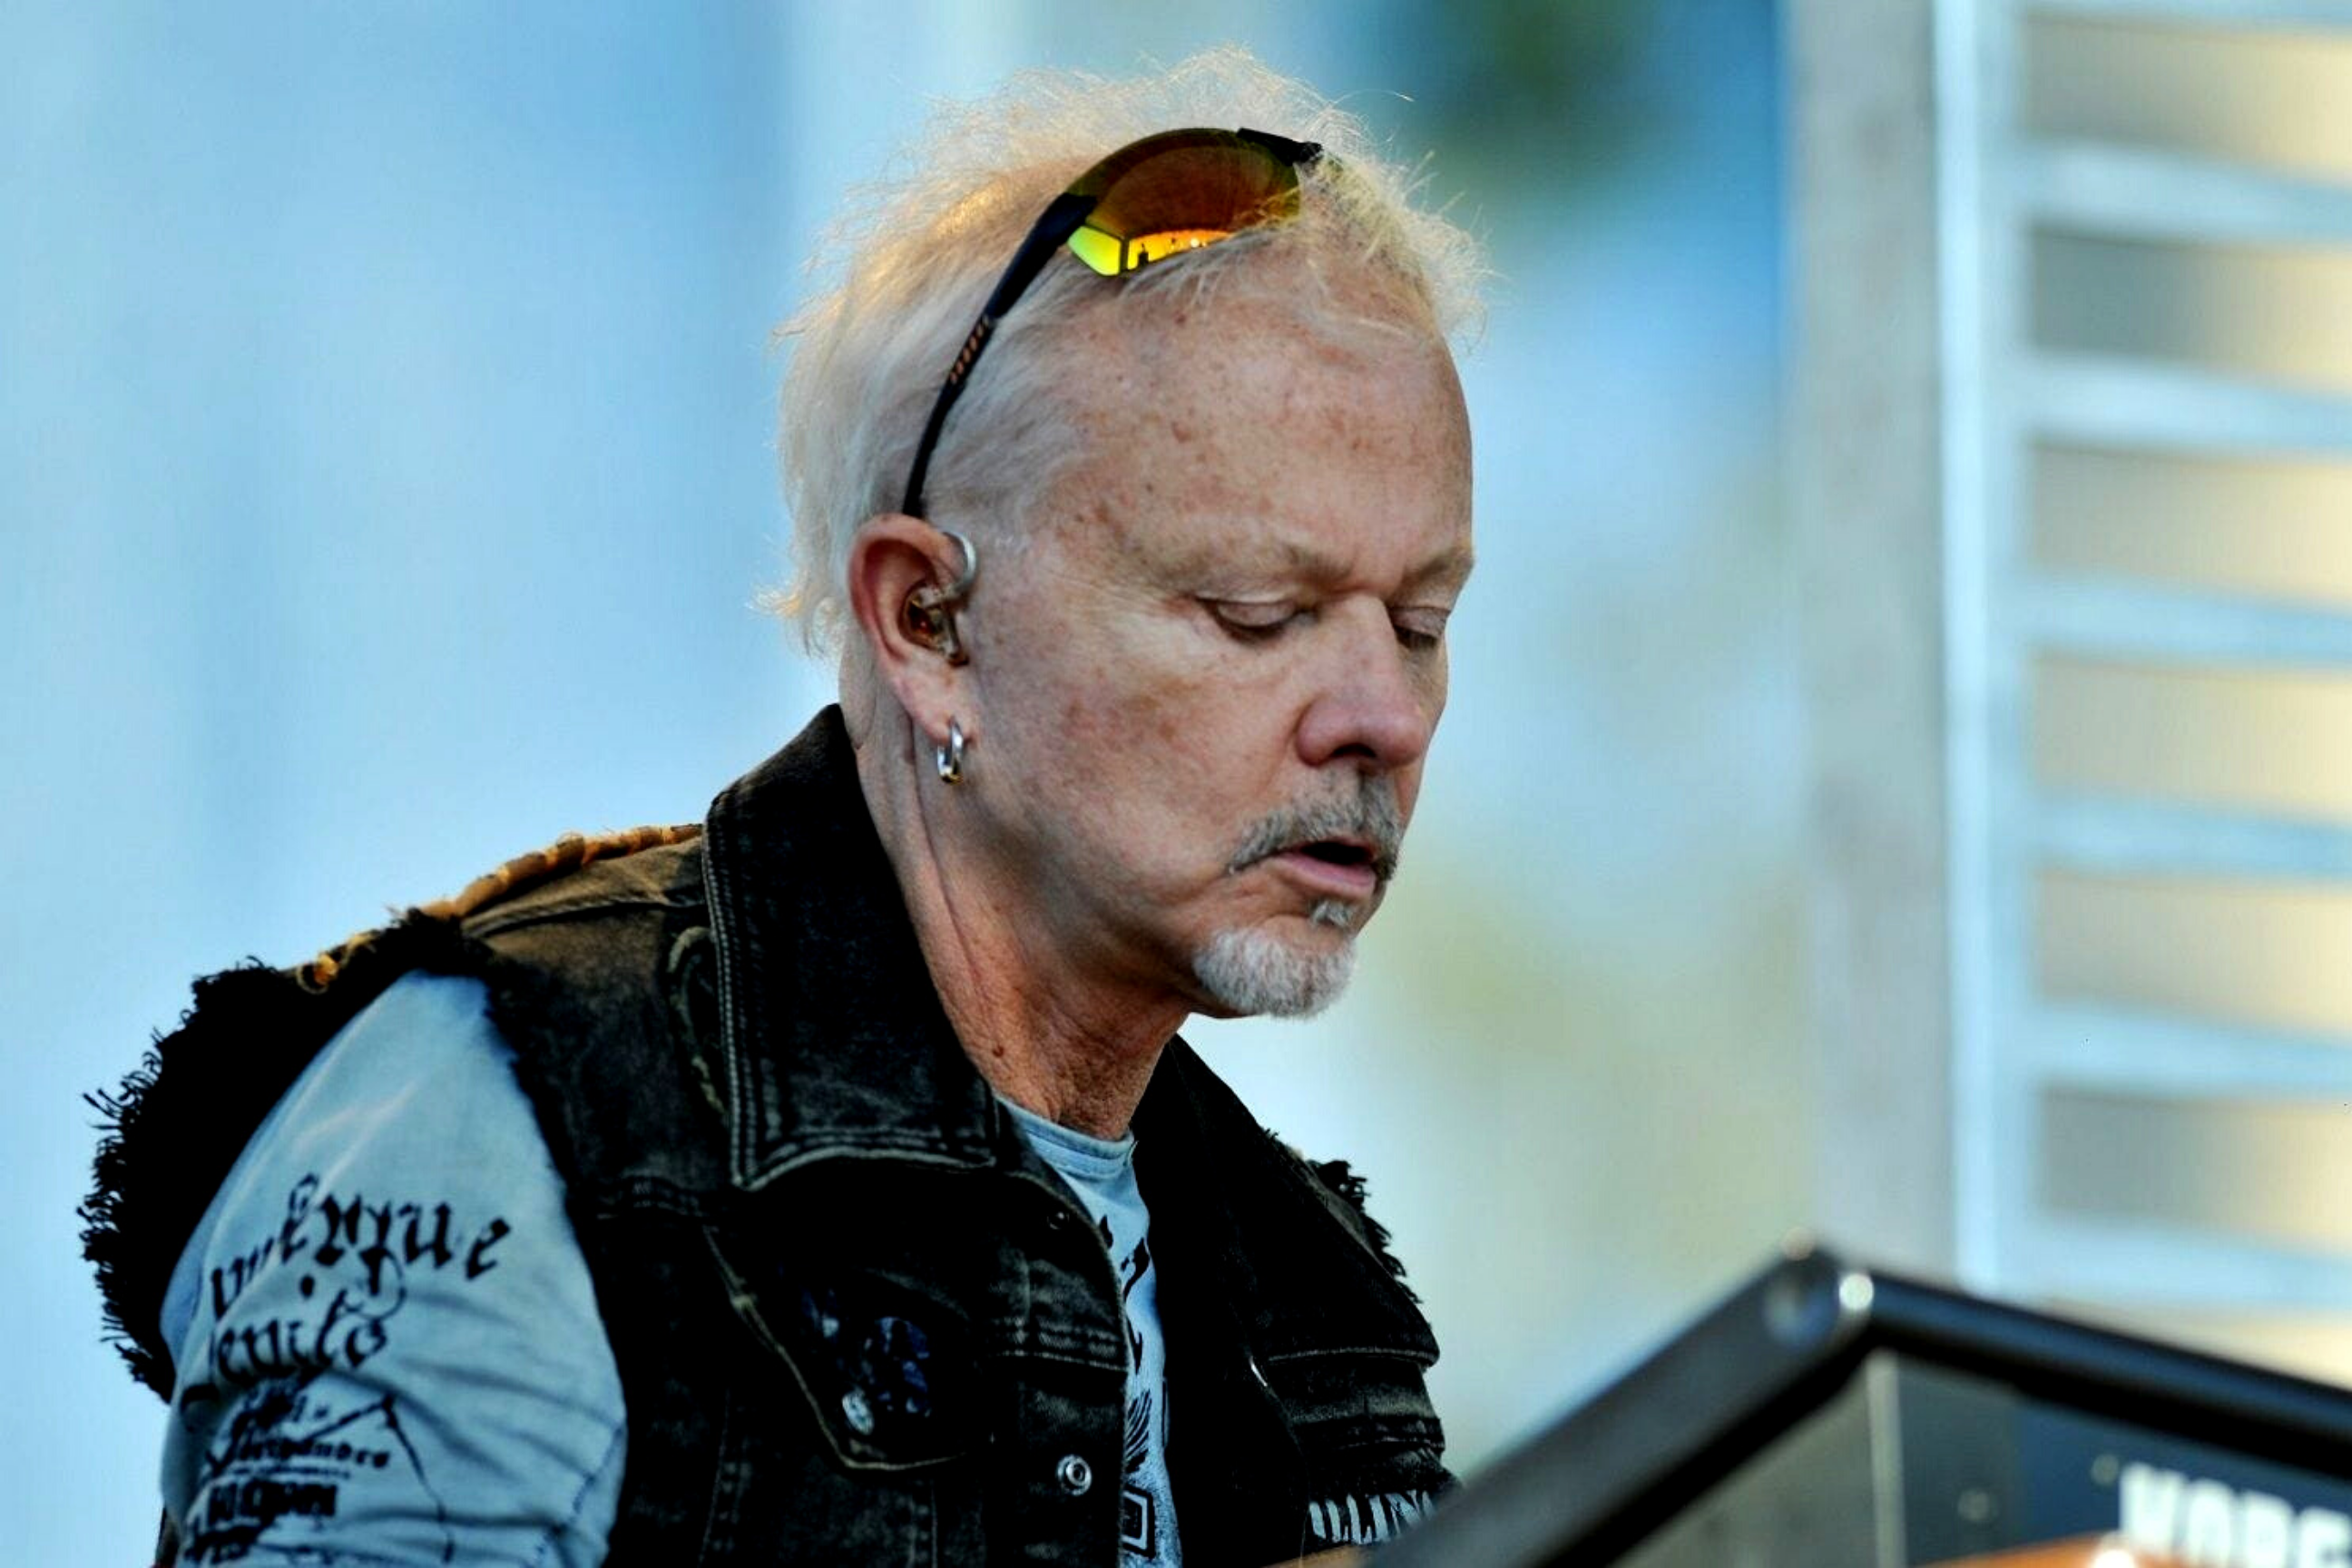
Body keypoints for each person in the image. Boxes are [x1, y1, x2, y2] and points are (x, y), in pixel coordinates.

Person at [84, 46, 1482, 1567]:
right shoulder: (503, 1122)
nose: (1386, 717)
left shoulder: (1300, 1275)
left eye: (1420, 620)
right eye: (1257, 609)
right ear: (928, 626)